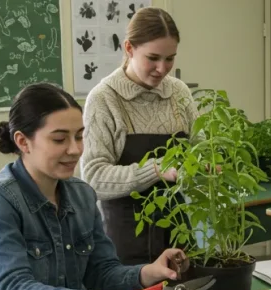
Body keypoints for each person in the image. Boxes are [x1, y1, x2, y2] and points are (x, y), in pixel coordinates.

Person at [0, 83, 189, 290]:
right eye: (59, 139)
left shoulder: (82, 194)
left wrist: (147, 273)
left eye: (79, 136)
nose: (75, 149)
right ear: (23, 142)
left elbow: (101, 273)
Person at [79, 6, 198, 265]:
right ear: (129, 48)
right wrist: (156, 171)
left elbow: (196, 148)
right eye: (152, 58)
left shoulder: (179, 93)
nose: (162, 68)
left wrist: (205, 162)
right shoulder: (104, 99)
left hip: (177, 229)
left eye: (170, 59)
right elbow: (93, 179)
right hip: (124, 239)